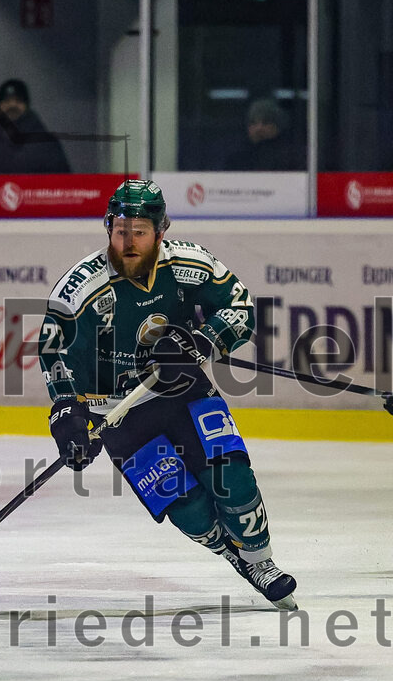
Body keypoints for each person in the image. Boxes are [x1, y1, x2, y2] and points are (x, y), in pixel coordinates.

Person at [39, 179, 297, 611]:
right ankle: (233, 554)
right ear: (108, 228)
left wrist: (202, 341)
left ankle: (261, 562)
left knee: (231, 478)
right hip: (118, 411)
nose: (129, 242)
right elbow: (54, 350)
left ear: (161, 231)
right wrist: (67, 411)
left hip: (183, 389)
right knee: (187, 507)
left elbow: (239, 307)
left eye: (140, 232)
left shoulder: (188, 263)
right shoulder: (81, 288)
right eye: (121, 231)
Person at [0, 78, 71, 174]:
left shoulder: (46, 143)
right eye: (7, 101)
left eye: (18, 101)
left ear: (27, 106)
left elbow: (62, 183)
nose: (12, 105)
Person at [224, 97, 305, 171]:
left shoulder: (291, 157)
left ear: (278, 126)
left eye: (266, 122)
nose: (259, 128)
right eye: (253, 123)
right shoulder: (237, 159)